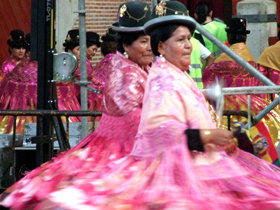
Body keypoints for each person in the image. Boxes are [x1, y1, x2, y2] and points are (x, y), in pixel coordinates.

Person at [0, 1, 153, 208]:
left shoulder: (136, 68)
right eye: (144, 41)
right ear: (126, 44)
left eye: (153, 40)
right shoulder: (126, 74)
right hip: (122, 154)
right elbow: (137, 125)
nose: (150, 47)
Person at [202, 17, 280, 163]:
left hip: (222, 122)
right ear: (245, 38)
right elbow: (264, 94)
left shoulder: (215, 67)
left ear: (228, 37)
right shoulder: (256, 67)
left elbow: (207, 91)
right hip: (251, 119)